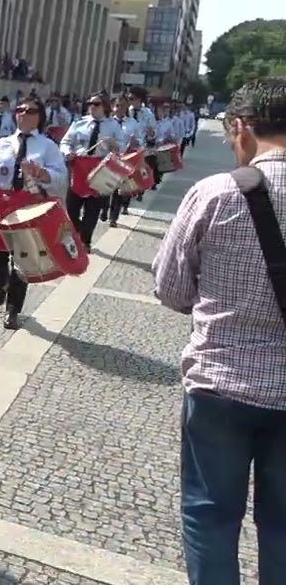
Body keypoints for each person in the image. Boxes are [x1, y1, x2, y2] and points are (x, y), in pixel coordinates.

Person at [152, 77, 286, 585]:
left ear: (240, 129)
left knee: (210, 515)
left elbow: (170, 289)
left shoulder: (214, 193)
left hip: (222, 383)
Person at [0, 96, 66, 330]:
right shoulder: (1, 143)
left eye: (31, 110)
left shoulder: (47, 146)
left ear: (39, 117)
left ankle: (13, 310)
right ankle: (1, 284)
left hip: (29, 204)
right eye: (21, 109)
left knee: (23, 258)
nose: (24, 113)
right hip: (1, 202)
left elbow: (61, 178)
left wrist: (44, 174)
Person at [59, 94, 124, 247]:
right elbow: (65, 142)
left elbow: (122, 147)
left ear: (105, 107)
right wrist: (68, 152)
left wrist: (114, 144)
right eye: (90, 103)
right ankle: (79, 230)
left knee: (93, 208)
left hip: (99, 169)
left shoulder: (113, 125)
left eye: (96, 104)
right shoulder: (79, 123)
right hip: (79, 168)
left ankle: (85, 241)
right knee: (71, 208)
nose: (92, 106)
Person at [104, 95, 141, 226]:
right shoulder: (107, 123)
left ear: (127, 107)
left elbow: (140, 141)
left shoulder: (133, 123)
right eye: (117, 105)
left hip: (124, 160)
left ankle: (113, 217)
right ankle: (104, 210)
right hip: (107, 160)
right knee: (105, 187)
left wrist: (136, 142)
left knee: (118, 191)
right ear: (113, 106)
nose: (119, 108)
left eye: (123, 106)